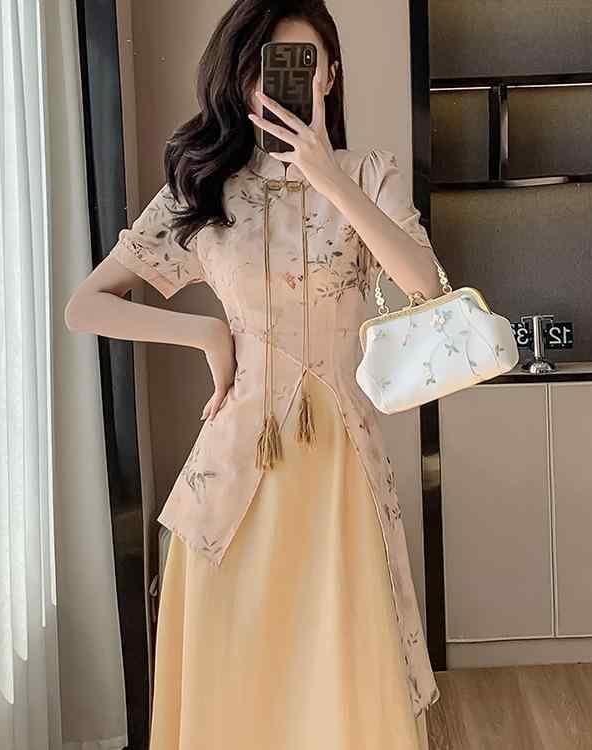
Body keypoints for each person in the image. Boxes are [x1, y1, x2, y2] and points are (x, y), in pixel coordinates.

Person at [65, 1, 444, 747]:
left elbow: (424, 284)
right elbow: (86, 306)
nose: (285, 82)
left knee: (340, 684)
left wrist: (330, 180)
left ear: (329, 76)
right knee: (237, 691)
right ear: (243, 81)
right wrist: (206, 333)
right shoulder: (206, 187)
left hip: (338, 476)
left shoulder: (370, 175)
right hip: (233, 478)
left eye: (304, 62)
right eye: (268, 66)